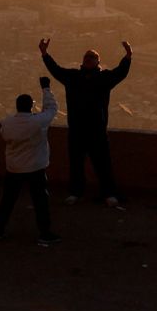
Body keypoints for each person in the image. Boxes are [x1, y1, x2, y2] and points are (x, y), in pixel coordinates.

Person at [40, 36, 131, 208]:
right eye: (86, 57)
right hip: (77, 128)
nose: (88, 60)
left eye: (92, 57)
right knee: (76, 163)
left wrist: (128, 56)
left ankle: (109, 193)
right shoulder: (73, 77)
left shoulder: (104, 78)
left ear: (98, 61)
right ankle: (76, 192)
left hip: (97, 129)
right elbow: (56, 70)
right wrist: (45, 54)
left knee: (103, 164)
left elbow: (121, 72)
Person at [0, 76, 61, 246]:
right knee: (40, 202)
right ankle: (44, 233)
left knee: (8, 200)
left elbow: (4, 136)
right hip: (35, 168)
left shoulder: (8, 123)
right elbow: (52, 109)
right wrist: (46, 89)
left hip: (14, 168)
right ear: (31, 106)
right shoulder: (37, 122)